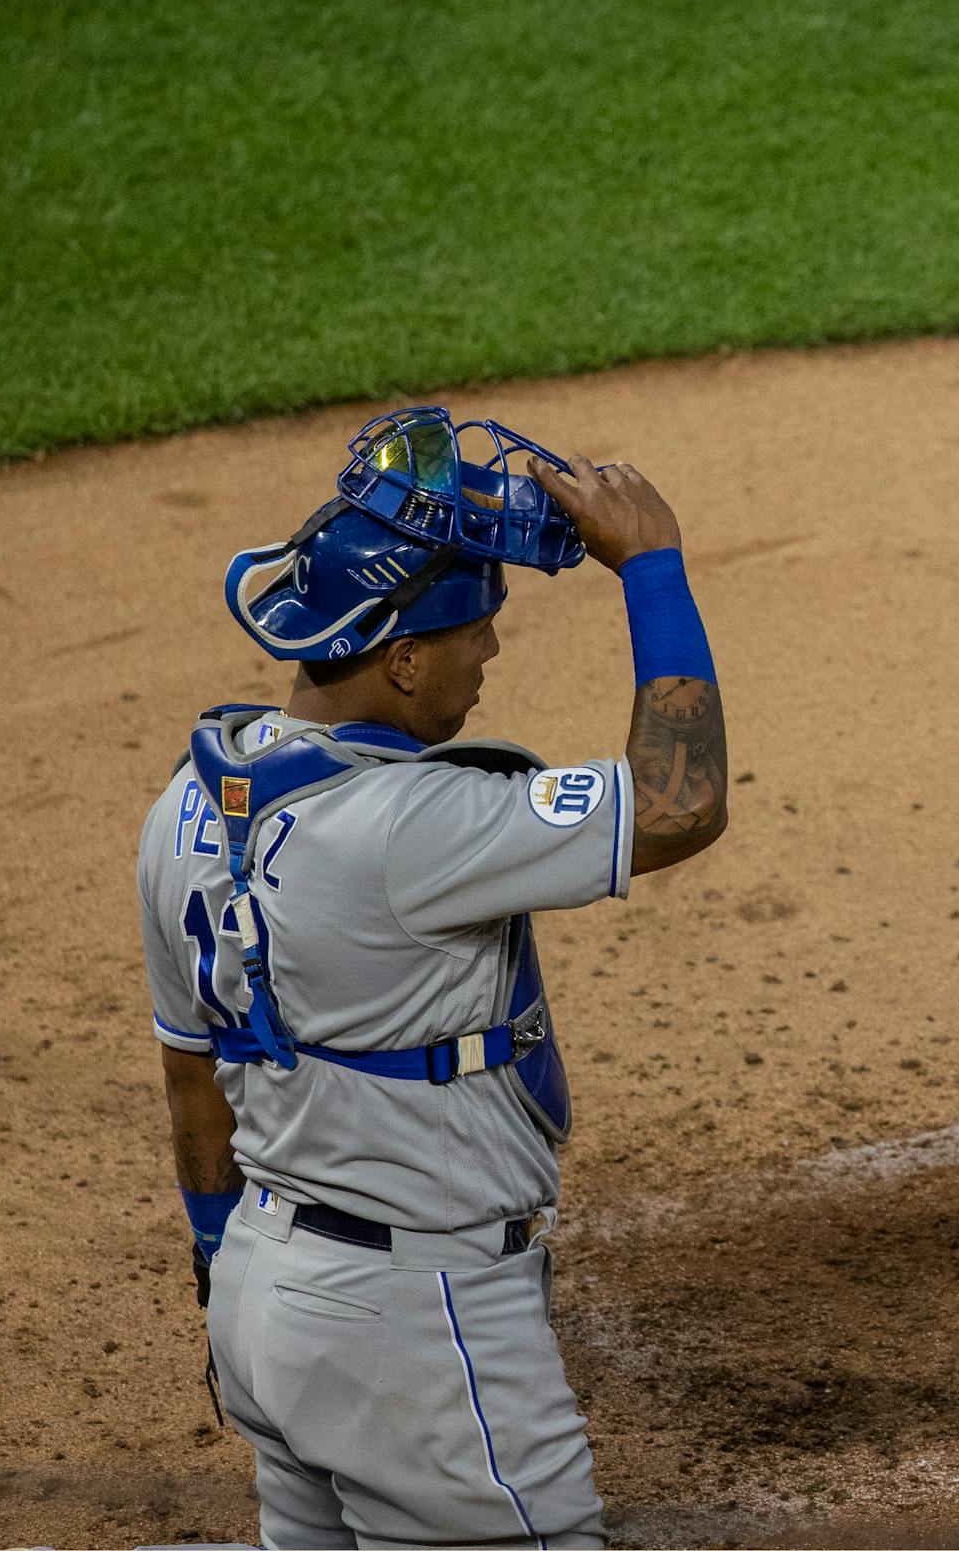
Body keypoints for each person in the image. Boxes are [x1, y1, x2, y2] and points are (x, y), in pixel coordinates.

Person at [139, 406, 726, 1548]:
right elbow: (678, 803)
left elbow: (191, 1084)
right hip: (414, 1337)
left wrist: (223, 1270)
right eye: (477, 629)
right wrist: (652, 570)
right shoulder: (411, 825)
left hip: (265, 1288)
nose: (491, 655)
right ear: (403, 659)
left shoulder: (184, 809)